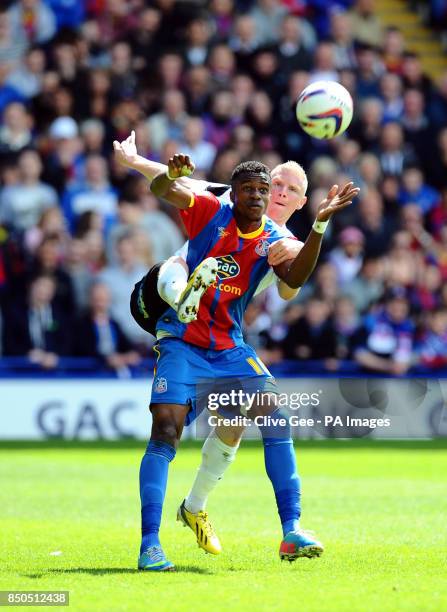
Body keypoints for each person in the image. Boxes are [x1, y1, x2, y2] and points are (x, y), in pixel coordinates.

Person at [114, 138, 358, 572]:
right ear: (239, 188)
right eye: (268, 184)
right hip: (179, 332)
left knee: (266, 415)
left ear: (299, 202)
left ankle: (289, 529)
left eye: (281, 190)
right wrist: (143, 164)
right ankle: (149, 545)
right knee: (165, 433)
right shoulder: (214, 205)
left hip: (229, 346)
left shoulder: (278, 239)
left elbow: (292, 283)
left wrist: (318, 228)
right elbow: (172, 187)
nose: (271, 194)